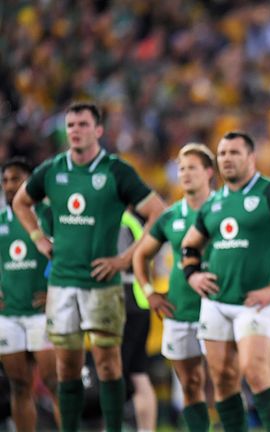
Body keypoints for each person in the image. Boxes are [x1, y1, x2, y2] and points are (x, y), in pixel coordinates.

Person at [12, 102, 166, 432]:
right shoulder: (52, 170)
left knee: (109, 365)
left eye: (83, 124)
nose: (75, 131)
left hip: (103, 285)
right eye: (70, 125)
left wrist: (126, 259)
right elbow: (20, 201)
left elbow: (158, 213)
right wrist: (39, 238)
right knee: (66, 368)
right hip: (63, 284)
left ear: (98, 131)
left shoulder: (115, 170)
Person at [180, 131, 270, 432]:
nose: (227, 159)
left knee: (255, 371)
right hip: (215, 302)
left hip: (254, 301)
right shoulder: (213, 204)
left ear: (251, 157)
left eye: (234, 153)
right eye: (222, 153)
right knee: (222, 379)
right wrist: (193, 275)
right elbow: (190, 245)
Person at [133, 143, 216, 432]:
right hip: (180, 311)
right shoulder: (170, 217)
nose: (185, 173)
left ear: (208, 172)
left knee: (225, 382)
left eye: (192, 167)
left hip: (219, 308)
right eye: (181, 168)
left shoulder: (224, 209)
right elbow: (140, 255)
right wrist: (149, 292)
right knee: (190, 386)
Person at [0, 158, 60, 430]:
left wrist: (56, 292)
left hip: (42, 313)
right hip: (9, 314)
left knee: (54, 383)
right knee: (19, 385)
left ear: (30, 182)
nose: (10, 185)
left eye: (17, 179)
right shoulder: (0, 220)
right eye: (6, 180)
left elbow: (68, 254)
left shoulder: (48, 216)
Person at [119, 211, 157, 432]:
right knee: (138, 372)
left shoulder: (120, 221)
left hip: (125, 302)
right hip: (140, 302)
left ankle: (115, 425)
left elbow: (120, 262)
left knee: (118, 371)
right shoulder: (134, 221)